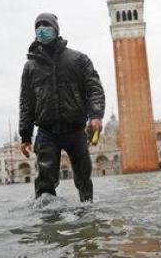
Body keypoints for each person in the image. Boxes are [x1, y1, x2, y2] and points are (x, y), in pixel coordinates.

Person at [19, 12, 105, 202]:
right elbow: (26, 103)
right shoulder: (30, 67)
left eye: (46, 25)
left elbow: (94, 89)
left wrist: (96, 115)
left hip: (76, 130)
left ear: (56, 29)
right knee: (44, 185)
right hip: (46, 132)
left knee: (84, 179)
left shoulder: (78, 59)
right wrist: (25, 135)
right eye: (38, 26)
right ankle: (49, 224)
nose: (42, 29)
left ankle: (88, 219)